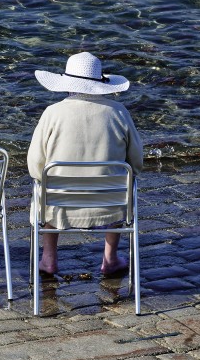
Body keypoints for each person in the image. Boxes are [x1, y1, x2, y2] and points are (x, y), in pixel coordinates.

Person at [28, 51, 143, 276]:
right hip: (109, 206)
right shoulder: (118, 112)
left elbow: (35, 165)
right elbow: (136, 163)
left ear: (68, 83)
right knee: (123, 184)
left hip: (59, 206)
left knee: (46, 187)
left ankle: (48, 259)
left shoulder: (52, 113)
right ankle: (110, 258)